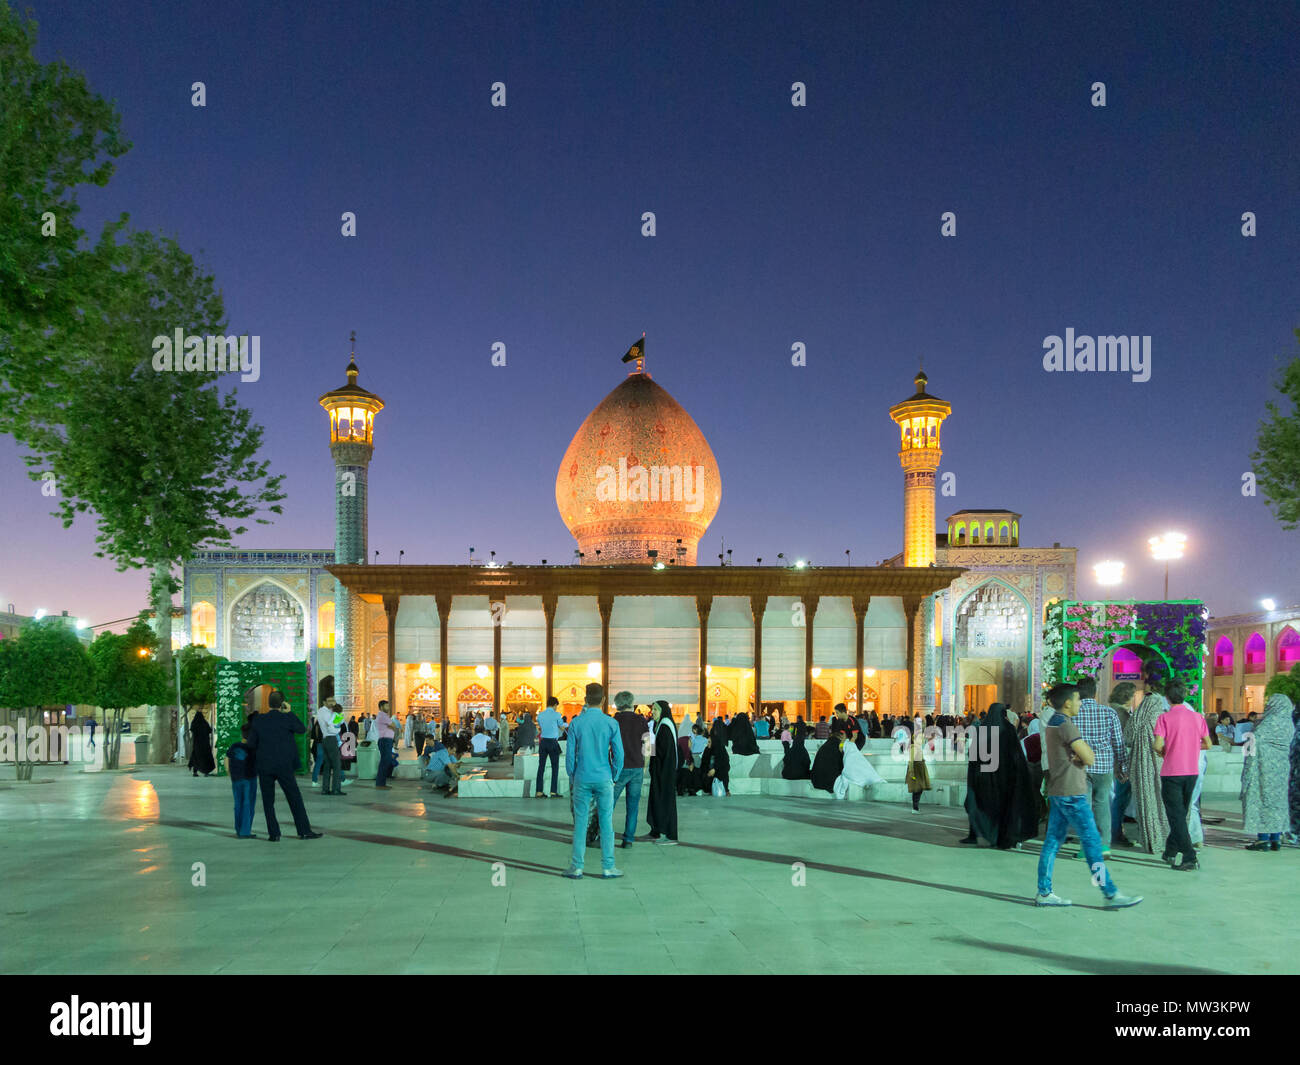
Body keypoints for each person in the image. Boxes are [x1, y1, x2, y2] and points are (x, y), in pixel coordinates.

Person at [1035, 683, 1141, 908]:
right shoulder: (1066, 726)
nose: (1080, 704)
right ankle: (1110, 892)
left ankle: (1044, 891)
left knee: (1053, 841)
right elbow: (1090, 757)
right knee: (1092, 842)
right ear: (1067, 703)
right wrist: (1082, 754)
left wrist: (1079, 755)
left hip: (1059, 789)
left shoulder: (1053, 722)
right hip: (1072, 792)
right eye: (1077, 700)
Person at [563, 683, 625, 879]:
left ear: (585, 700)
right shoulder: (611, 723)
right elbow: (619, 755)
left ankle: (577, 867)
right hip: (604, 778)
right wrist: (614, 776)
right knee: (606, 823)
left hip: (582, 777)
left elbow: (570, 755)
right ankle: (608, 867)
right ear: (604, 700)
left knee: (581, 823)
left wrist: (573, 776)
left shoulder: (576, 723)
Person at [1151, 680, 1211, 870]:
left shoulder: (1164, 718)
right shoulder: (1197, 717)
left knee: (1175, 816)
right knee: (1181, 813)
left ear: (1167, 698)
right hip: (1191, 771)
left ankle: (1189, 857)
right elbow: (1207, 743)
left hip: (1171, 772)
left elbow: (1157, 745)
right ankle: (1170, 851)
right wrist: (1192, 746)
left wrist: (1166, 751)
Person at [247, 691, 321, 841]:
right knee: (294, 798)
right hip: (284, 765)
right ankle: (304, 831)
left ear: (268, 703)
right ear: (282, 704)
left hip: (265, 765)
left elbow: (251, 743)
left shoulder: (259, 720)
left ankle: (274, 834)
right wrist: (290, 712)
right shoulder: (286, 718)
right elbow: (301, 729)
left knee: (268, 801)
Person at [961, 704, 1037, 849]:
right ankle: (1000, 838)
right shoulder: (1008, 729)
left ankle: (978, 834)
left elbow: (974, 755)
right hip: (1004, 778)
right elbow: (1015, 755)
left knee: (980, 804)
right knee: (1002, 808)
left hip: (983, 777)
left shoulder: (983, 728)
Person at [1074, 677, 1127, 858]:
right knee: (1103, 804)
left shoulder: (1073, 714)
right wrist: (1122, 766)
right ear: (1095, 693)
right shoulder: (1109, 713)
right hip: (1104, 766)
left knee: (1084, 807)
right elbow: (1118, 743)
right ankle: (1104, 846)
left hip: (1080, 766)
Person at [1241, 693, 1296, 851]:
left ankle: (1263, 839)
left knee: (1263, 801)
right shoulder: (1289, 723)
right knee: (1278, 802)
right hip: (1282, 769)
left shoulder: (1268, 722)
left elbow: (1253, 741)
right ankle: (1276, 838)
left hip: (1263, 769)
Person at [1126, 690, 1171, 855]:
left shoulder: (1138, 719)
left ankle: (1151, 840)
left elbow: (1128, 737)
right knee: (1161, 802)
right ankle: (1164, 838)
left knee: (1146, 801)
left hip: (1142, 766)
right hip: (1163, 765)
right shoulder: (1164, 717)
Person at [611, 691, 648, 848]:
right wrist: (645, 765)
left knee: (608, 804)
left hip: (619, 768)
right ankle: (628, 839)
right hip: (637, 767)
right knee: (633, 806)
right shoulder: (641, 720)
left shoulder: (614, 721)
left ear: (618, 704)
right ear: (632, 702)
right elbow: (648, 745)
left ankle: (601, 834)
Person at [1107, 682, 1140, 846]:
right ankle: (1116, 833)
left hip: (1108, 761)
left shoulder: (1108, 710)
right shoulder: (1121, 714)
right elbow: (1127, 739)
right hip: (1121, 761)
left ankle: (1113, 831)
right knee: (1120, 799)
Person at [646, 700, 679, 844]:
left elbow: (663, 751)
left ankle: (670, 835)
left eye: (656, 710)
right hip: (661, 772)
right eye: (653, 709)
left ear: (663, 711)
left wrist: (649, 745)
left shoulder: (665, 727)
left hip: (664, 773)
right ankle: (657, 830)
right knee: (658, 800)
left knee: (665, 802)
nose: (653, 712)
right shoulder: (660, 725)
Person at [225, 722, 259, 838]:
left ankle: (239, 829)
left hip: (236, 779)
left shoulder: (235, 746)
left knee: (238, 804)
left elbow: (227, 759)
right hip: (250, 779)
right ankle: (245, 831)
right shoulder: (254, 748)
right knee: (248, 805)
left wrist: (230, 774)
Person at [315, 698, 346, 797]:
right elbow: (331, 727)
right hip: (331, 739)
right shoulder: (327, 713)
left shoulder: (321, 711)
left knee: (327, 765)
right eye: (329, 701)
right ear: (324, 702)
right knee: (337, 764)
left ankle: (325, 789)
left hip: (325, 739)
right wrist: (339, 728)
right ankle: (336, 789)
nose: (332, 702)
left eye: (333, 700)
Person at [536, 696, 564, 799]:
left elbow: (540, 726)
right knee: (554, 767)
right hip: (553, 742)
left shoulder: (540, 715)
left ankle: (539, 791)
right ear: (555, 705)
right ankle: (553, 792)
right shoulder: (557, 715)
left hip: (543, 743)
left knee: (541, 767)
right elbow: (561, 726)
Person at [905, 722, 931, 811]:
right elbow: (911, 761)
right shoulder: (913, 747)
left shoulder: (918, 747)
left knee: (919, 788)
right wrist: (911, 772)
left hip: (920, 769)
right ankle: (915, 807)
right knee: (917, 788)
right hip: (916, 770)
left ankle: (915, 806)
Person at [374, 700, 398, 788]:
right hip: (385, 741)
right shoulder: (383, 716)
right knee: (385, 761)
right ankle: (380, 783)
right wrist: (391, 726)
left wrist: (390, 726)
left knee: (385, 761)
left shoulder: (383, 716)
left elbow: (392, 726)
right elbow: (394, 725)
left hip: (386, 740)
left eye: (388, 706)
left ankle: (381, 783)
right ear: (381, 707)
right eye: (386, 706)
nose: (388, 708)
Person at [188, 710, 215, 776]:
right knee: (205, 757)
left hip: (197, 744)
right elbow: (210, 730)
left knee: (196, 757)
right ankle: (206, 772)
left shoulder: (194, 723)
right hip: (205, 744)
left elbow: (192, 730)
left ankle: (195, 772)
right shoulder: (205, 723)